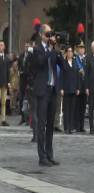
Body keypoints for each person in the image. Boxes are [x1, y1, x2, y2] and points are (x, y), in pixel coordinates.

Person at [33, 24, 63, 167]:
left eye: (50, 33)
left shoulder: (53, 50)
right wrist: (50, 50)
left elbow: (62, 65)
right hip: (42, 91)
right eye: (47, 34)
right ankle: (42, 157)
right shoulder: (37, 49)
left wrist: (57, 50)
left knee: (51, 124)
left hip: (53, 90)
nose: (49, 36)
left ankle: (49, 154)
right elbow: (40, 63)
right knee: (41, 125)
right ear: (41, 35)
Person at [60, 46, 80, 134]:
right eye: (68, 51)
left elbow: (78, 76)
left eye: (71, 51)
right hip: (66, 89)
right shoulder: (63, 63)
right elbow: (61, 76)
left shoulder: (75, 62)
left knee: (73, 109)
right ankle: (66, 127)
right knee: (66, 109)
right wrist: (61, 88)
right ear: (66, 53)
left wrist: (78, 87)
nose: (70, 53)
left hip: (74, 89)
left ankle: (71, 126)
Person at [74, 41, 87, 132]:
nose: (81, 50)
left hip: (84, 86)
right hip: (78, 86)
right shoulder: (75, 59)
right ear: (78, 49)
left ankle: (81, 126)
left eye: (83, 48)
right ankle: (76, 126)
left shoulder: (86, 59)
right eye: (80, 48)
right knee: (77, 107)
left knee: (83, 107)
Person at [18, 42, 30, 125]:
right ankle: (22, 118)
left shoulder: (31, 56)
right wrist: (20, 71)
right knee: (21, 98)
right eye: (25, 46)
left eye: (27, 46)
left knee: (29, 100)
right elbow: (19, 66)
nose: (26, 47)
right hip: (22, 80)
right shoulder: (21, 55)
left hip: (29, 80)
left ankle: (28, 119)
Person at [0, 40, 10, 127]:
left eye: (2, 45)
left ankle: (3, 120)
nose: (1, 47)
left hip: (4, 83)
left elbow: (8, 72)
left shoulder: (7, 58)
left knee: (3, 102)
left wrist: (8, 82)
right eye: (0, 45)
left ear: (4, 47)